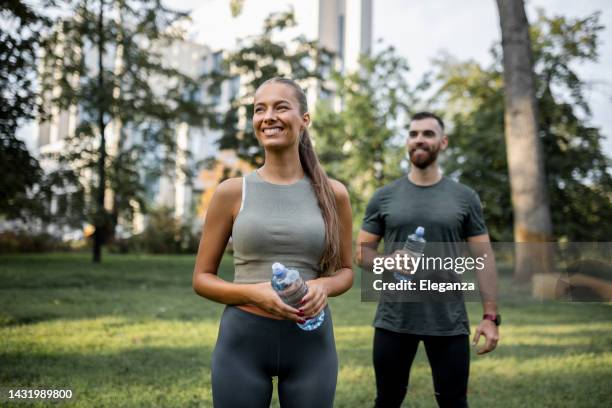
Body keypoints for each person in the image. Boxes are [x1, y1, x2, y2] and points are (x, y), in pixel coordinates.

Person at [192, 77, 353, 408]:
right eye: (259, 109)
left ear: (304, 120)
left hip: (312, 346)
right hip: (242, 344)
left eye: (281, 107)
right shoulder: (231, 192)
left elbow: (346, 271)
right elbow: (202, 279)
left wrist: (323, 286)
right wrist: (254, 293)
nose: (268, 117)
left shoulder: (333, 194)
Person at [356, 111, 500, 408]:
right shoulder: (384, 196)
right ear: (407, 142)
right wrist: (388, 262)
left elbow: (483, 257)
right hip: (394, 318)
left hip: (448, 320)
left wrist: (490, 317)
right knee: (387, 401)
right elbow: (361, 253)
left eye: (428, 134)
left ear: (443, 142)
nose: (419, 139)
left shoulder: (464, 197)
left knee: (454, 403)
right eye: (413, 134)